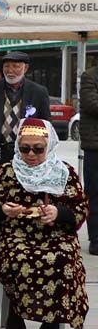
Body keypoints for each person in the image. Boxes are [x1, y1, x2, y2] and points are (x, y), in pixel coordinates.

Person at [0, 118, 88, 329]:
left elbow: (79, 208)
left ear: (48, 147)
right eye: (25, 148)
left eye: (38, 149)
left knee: (62, 257)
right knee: (19, 256)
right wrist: (4, 210)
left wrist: (58, 213)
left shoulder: (64, 172)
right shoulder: (6, 172)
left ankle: (52, 317)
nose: (31, 154)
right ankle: (16, 312)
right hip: (16, 233)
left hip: (55, 234)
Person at [0, 50, 51, 258]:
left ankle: (23, 236)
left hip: (27, 154)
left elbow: (46, 126)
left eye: (16, 66)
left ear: (26, 68)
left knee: (26, 194)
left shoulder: (38, 92)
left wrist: (44, 153)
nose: (11, 70)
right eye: (7, 66)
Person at [77, 65, 98, 255]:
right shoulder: (90, 76)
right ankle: (96, 238)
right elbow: (92, 104)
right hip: (95, 146)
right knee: (95, 193)